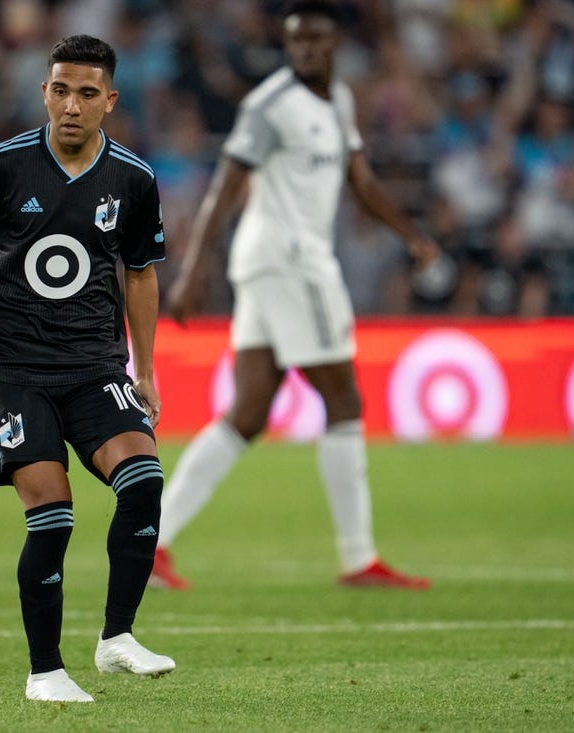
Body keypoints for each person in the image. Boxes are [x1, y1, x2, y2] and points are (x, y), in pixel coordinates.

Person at [0, 35, 174, 703]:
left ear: (110, 102)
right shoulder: (4, 165)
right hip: (14, 363)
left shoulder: (134, 179)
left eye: (87, 93)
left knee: (144, 479)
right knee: (52, 514)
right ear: (44, 93)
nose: (71, 104)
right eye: (60, 89)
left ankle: (117, 637)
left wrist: (143, 369)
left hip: (94, 362)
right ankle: (44, 672)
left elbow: (140, 275)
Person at [151, 0, 438, 592]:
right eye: (295, 41)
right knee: (345, 400)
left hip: (277, 263)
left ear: (336, 45)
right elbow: (224, 188)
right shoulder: (270, 106)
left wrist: (411, 234)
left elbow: (360, 179)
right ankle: (359, 559)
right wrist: (191, 269)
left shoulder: (338, 101)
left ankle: (150, 545)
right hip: (290, 261)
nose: (305, 50)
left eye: (315, 41)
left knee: (249, 413)